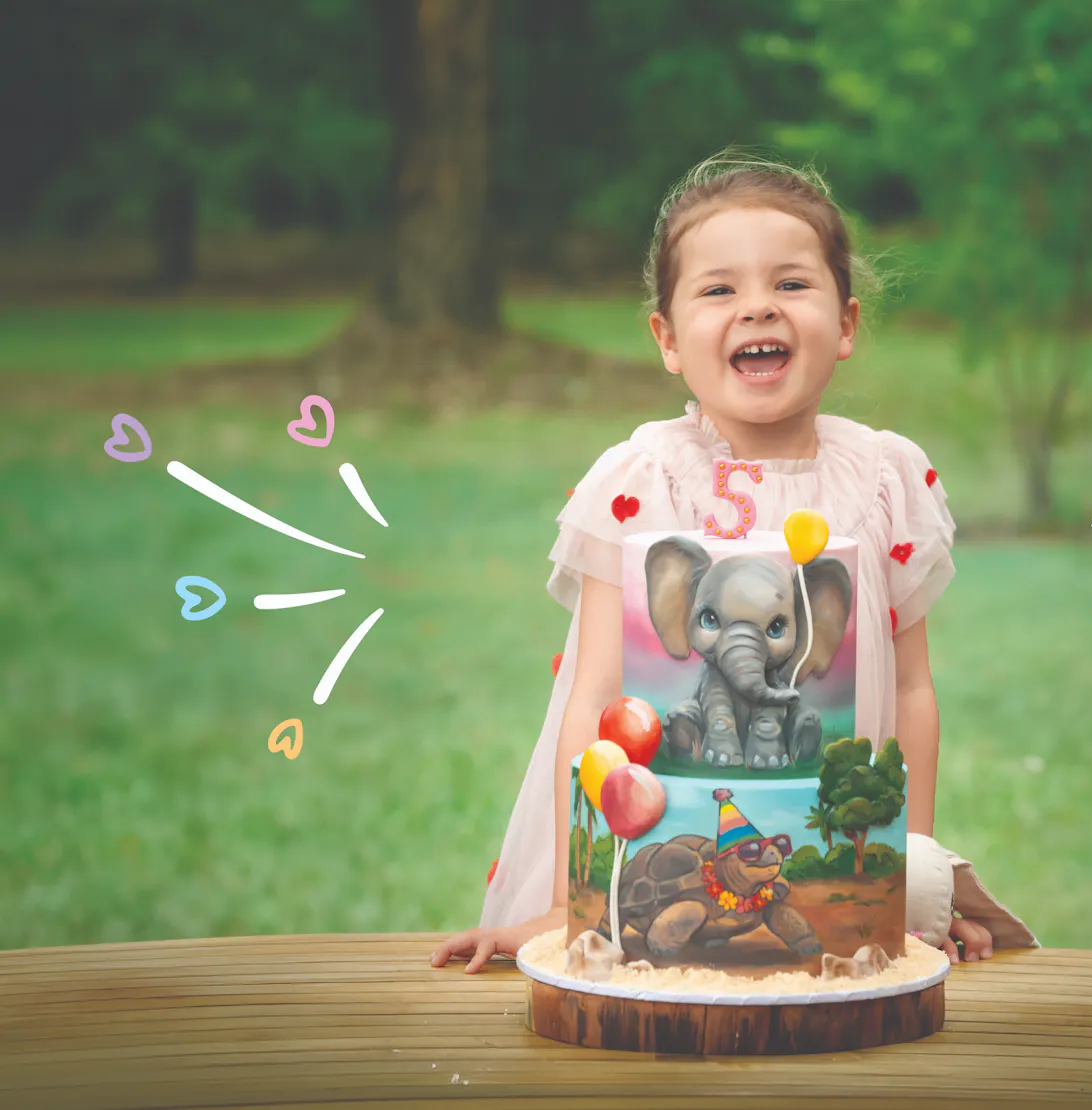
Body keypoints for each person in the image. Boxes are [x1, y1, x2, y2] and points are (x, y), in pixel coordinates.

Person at [431, 151, 1035, 975]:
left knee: (916, 907)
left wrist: (903, 882)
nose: (758, 307)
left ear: (847, 324)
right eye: (720, 290)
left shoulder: (887, 477)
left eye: (791, 284)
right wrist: (567, 899)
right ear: (669, 339)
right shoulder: (642, 479)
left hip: (823, 848)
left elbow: (911, 690)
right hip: (659, 840)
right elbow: (597, 700)